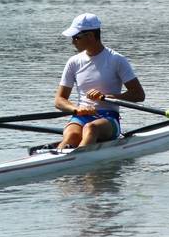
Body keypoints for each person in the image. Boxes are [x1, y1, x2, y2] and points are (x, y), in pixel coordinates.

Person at [54, 13, 145, 149]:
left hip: (109, 118)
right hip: (81, 116)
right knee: (71, 136)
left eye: (76, 37)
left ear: (90, 36)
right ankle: (60, 160)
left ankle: (78, 162)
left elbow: (139, 95)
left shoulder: (116, 60)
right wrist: (77, 109)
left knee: (91, 128)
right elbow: (59, 100)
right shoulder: (73, 62)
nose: (73, 41)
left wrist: (107, 97)